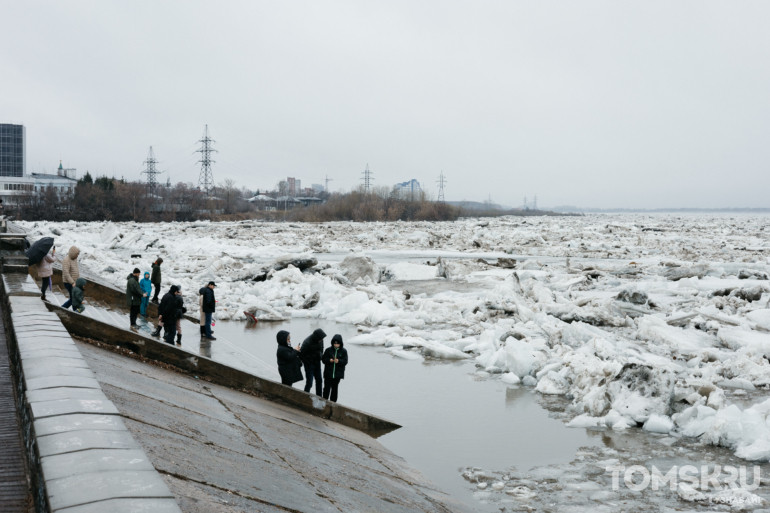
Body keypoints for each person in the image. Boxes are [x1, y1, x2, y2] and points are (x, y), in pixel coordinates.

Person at [322, 334, 348, 402]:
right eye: (335, 343)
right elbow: (324, 359)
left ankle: (333, 404)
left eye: (337, 344)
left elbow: (345, 361)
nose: (336, 345)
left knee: (334, 389)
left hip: (337, 375)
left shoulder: (344, 351)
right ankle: (324, 401)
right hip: (328, 373)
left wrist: (338, 361)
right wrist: (329, 360)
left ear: (340, 344)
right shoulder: (328, 350)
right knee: (326, 389)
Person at [300, 328, 326, 396]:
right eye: (320, 339)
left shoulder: (321, 340)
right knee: (309, 382)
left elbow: (322, 349)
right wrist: (308, 361)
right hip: (309, 364)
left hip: (317, 362)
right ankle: (305, 395)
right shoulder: (307, 342)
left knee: (319, 381)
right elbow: (301, 355)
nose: (321, 340)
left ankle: (319, 396)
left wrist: (320, 356)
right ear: (317, 337)